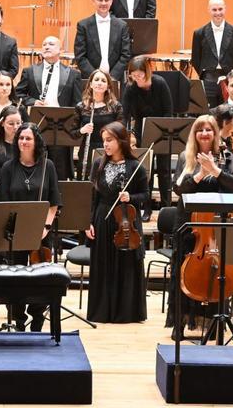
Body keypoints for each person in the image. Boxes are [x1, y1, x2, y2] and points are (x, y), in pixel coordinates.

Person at [168, 115, 233, 337]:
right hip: (189, 224)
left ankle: (213, 322)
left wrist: (216, 170)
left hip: (217, 225)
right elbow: (178, 190)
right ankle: (179, 322)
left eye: (209, 129)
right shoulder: (185, 157)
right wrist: (201, 173)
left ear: (215, 133)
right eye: (200, 130)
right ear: (194, 134)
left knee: (217, 271)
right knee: (183, 269)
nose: (204, 133)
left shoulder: (226, 157)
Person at [0, 123, 61, 331]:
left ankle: (38, 318)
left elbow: (54, 201)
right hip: (15, 233)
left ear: (36, 141)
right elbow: (1, 202)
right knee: (17, 278)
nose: (24, 142)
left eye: (28, 138)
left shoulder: (47, 166)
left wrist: (46, 227)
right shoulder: (8, 167)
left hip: (42, 232)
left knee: (41, 278)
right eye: (21, 138)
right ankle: (18, 320)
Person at [85, 122, 147, 323]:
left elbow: (146, 196)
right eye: (104, 140)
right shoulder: (98, 164)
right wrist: (89, 222)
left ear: (121, 141)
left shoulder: (135, 166)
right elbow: (92, 197)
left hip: (126, 221)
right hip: (103, 219)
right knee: (103, 264)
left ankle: (125, 313)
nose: (106, 145)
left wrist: (131, 197)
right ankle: (102, 311)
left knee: (125, 266)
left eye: (109, 140)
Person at [17, 35, 82, 180]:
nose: (46, 46)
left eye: (51, 44)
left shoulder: (73, 74)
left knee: (60, 170)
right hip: (37, 126)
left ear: (60, 49)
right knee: (37, 166)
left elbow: (78, 103)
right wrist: (33, 101)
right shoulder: (30, 71)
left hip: (62, 127)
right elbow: (18, 94)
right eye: (44, 44)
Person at [121, 56, 173, 221]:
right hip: (142, 131)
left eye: (140, 75)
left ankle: (166, 207)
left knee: (164, 171)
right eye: (133, 75)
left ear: (147, 71)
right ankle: (147, 209)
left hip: (163, 130)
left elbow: (168, 110)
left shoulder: (160, 83)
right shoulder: (130, 88)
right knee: (146, 172)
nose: (137, 78)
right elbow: (125, 115)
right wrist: (127, 134)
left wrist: (164, 128)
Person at [191, 0, 233, 108]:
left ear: (225, 9)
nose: (218, 13)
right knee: (210, 113)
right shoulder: (199, 33)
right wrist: (206, 73)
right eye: (214, 10)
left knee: (229, 113)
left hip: (229, 79)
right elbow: (196, 59)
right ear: (209, 10)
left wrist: (231, 76)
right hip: (208, 79)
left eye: (220, 9)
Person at [73, 0, 131, 82]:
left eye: (106, 0)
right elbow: (80, 55)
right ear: (94, 1)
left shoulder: (122, 25)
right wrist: (95, 77)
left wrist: (113, 77)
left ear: (111, 1)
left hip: (115, 79)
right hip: (90, 79)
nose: (103, 3)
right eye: (100, 0)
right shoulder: (83, 25)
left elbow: (126, 54)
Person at [73, 70, 124, 179]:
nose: (99, 83)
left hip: (109, 150)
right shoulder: (81, 107)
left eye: (103, 81)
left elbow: (121, 131)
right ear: (90, 84)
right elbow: (73, 133)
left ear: (108, 86)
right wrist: (83, 130)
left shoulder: (115, 106)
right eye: (96, 80)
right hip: (87, 150)